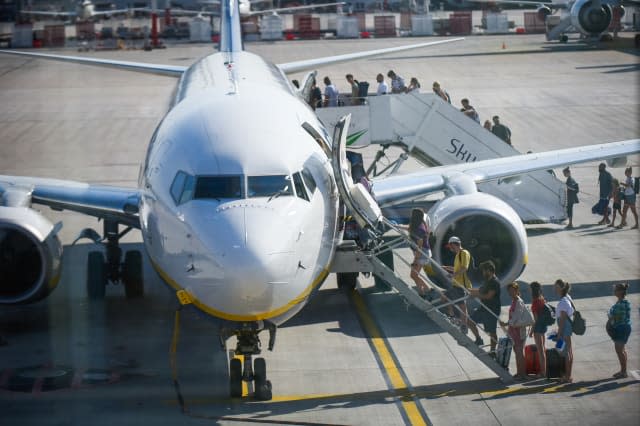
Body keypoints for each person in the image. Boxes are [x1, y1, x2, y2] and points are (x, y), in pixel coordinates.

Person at [499, 282, 531, 381]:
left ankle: (523, 374)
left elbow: (516, 318)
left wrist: (506, 323)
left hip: (518, 331)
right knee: (517, 352)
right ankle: (519, 373)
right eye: (509, 291)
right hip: (514, 331)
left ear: (517, 291)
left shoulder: (518, 302)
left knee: (519, 352)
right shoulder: (514, 301)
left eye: (513, 290)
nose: (511, 292)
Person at [467, 260, 501, 354]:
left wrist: (475, 295)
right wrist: (468, 290)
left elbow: (489, 296)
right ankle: (478, 339)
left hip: (491, 310)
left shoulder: (494, 282)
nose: (482, 273)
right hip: (484, 308)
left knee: (492, 332)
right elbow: (481, 290)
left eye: (484, 271)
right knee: (470, 321)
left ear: (489, 271)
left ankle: (493, 351)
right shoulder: (488, 281)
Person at [443, 236, 471, 333]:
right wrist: (447, 268)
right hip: (456, 284)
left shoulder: (464, 253)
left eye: (450, 246)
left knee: (462, 306)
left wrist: (453, 275)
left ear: (454, 244)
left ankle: (464, 325)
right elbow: (457, 269)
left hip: (462, 285)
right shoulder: (458, 254)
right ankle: (453, 317)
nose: (450, 249)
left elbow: (464, 268)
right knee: (444, 297)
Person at [407, 208, 434, 298]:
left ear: (414, 216)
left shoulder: (418, 229)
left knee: (413, 275)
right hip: (423, 252)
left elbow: (420, 246)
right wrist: (397, 227)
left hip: (422, 253)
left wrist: (415, 260)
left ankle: (427, 290)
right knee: (414, 275)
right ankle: (423, 292)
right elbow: (409, 228)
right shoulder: (420, 225)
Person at [608, 283, 631, 378]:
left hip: (621, 328)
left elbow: (616, 318)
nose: (614, 291)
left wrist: (610, 318)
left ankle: (623, 372)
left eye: (616, 290)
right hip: (625, 327)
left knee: (619, 350)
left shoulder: (620, 304)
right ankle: (623, 370)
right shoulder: (625, 302)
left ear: (621, 292)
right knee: (622, 350)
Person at [553, 279, 574, 383]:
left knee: (565, 353)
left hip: (565, 329)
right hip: (567, 328)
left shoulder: (563, 301)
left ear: (561, 288)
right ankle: (567, 375)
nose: (555, 289)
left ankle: (567, 377)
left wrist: (559, 333)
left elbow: (562, 319)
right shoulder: (567, 298)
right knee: (568, 351)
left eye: (556, 287)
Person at [529, 281, 548, 378]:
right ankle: (544, 371)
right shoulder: (542, 299)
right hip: (544, 327)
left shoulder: (535, 302)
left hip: (538, 328)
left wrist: (531, 331)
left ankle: (543, 372)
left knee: (540, 351)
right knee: (543, 349)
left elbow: (535, 320)